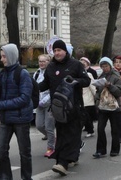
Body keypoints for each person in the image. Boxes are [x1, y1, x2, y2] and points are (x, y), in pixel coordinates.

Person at [39, 39, 91, 176]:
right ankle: (68, 158)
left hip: (74, 106)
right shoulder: (50, 67)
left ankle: (63, 163)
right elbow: (45, 84)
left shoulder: (75, 65)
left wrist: (76, 81)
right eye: (55, 50)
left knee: (71, 133)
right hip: (57, 108)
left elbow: (87, 81)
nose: (57, 53)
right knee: (61, 134)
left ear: (65, 51)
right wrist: (31, 86)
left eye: (59, 50)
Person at [0, 43, 34, 180]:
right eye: (1, 56)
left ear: (11, 56)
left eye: (4, 56)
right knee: (1, 150)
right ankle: (5, 177)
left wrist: (1, 105)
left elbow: (24, 99)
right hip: (5, 119)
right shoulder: (2, 74)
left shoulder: (23, 74)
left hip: (21, 119)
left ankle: (26, 177)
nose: (2, 59)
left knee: (24, 152)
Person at [93, 57, 121, 158]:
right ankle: (101, 150)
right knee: (100, 128)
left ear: (110, 66)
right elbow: (98, 91)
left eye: (106, 66)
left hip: (114, 107)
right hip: (102, 106)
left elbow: (119, 93)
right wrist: (96, 99)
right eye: (102, 66)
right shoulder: (101, 76)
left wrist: (110, 86)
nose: (104, 68)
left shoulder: (116, 76)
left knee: (115, 129)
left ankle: (115, 150)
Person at [33, 54, 56, 157]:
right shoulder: (37, 73)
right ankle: (53, 139)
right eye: (40, 61)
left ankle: (51, 147)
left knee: (49, 126)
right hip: (39, 104)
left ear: (48, 62)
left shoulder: (51, 73)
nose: (41, 63)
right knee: (39, 125)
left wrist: (45, 101)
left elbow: (53, 90)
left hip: (49, 103)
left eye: (44, 61)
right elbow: (35, 88)